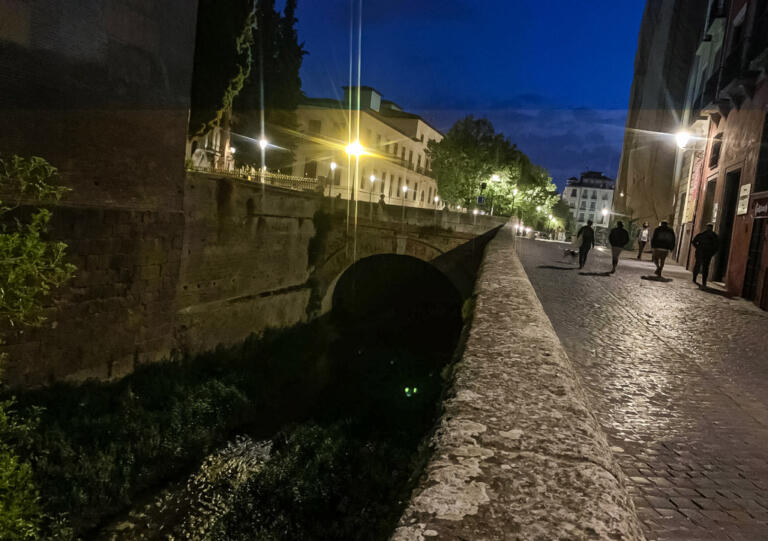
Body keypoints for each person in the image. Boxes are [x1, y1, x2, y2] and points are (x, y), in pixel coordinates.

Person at [692, 223, 719, 288]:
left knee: (698, 266)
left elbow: (694, 242)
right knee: (705, 267)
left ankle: (695, 278)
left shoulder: (702, 234)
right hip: (707, 254)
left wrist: (698, 247)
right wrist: (712, 253)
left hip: (701, 253)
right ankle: (703, 281)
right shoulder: (714, 236)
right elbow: (717, 247)